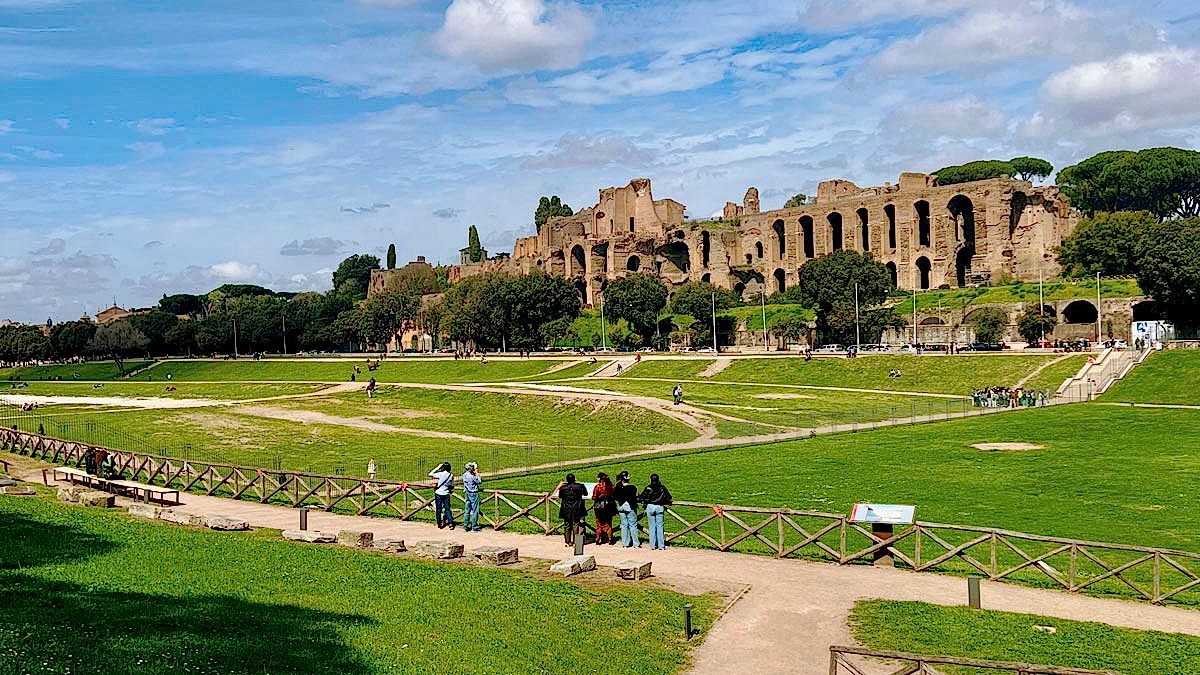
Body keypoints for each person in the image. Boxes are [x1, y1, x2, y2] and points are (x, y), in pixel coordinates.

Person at [639, 474, 673, 550]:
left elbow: (642, 497)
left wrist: (646, 501)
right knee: (660, 526)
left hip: (650, 507)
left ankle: (653, 545)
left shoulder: (648, 488)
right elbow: (669, 497)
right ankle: (661, 545)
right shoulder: (662, 488)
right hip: (659, 506)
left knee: (652, 527)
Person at [557, 473, 588, 547]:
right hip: (577, 507)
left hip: (566, 508)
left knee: (567, 524)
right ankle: (575, 541)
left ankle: (567, 541)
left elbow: (560, 496)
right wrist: (582, 485)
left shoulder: (563, 487)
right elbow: (585, 493)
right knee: (576, 524)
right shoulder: (579, 486)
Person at [614, 471, 640, 548]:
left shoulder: (618, 487)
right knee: (633, 525)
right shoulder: (632, 487)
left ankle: (625, 543)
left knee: (624, 525)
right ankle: (636, 543)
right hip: (630, 507)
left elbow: (615, 496)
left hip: (621, 507)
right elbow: (637, 495)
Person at [591, 472, 617, 545]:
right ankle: (610, 539)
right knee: (609, 523)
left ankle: (598, 539)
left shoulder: (598, 486)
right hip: (609, 506)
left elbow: (594, 497)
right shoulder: (611, 486)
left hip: (599, 507)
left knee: (599, 523)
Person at [428, 462, 455, 530]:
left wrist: (437, 467)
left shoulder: (441, 474)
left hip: (438, 493)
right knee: (447, 509)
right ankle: (450, 523)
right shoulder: (451, 475)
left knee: (438, 509)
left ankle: (439, 523)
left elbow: (430, 474)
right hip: (446, 493)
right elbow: (451, 484)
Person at [462, 462, 483, 532]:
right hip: (473, 493)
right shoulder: (472, 477)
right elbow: (479, 481)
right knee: (475, 511)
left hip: (467, 493)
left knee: (467, 511)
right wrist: (476, 472)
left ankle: (465, 526)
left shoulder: (464, 475)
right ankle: (474, 527)